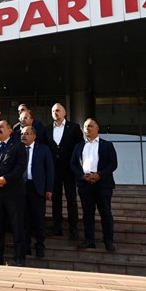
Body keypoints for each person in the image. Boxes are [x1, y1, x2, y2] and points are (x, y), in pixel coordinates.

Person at [0, 120, 28, 266]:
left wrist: (5, 179)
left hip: (13, 193)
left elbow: (20, 167)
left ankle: (19, 257)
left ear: (10, 131)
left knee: (17, 225)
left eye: (2, 127)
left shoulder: (18, 147)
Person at [70, 118, 118, 251]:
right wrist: (82, 176)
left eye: (90, 126)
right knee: (87, 214)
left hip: (103, 185)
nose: (87, 129)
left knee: (105, 213)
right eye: (85, 126)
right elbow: (73, 164)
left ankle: (108, 241)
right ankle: (89, 240)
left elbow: (113, 164)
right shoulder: (78, 146)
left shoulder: (107, 145)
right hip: (85, 185)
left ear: (97, 128)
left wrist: (99, 175)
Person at [45, 102, 83, 239]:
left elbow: (80, 147)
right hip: (54, 170)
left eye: (58, 110)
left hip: (69, 169)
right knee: (56, 199)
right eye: (53, 111)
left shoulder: (74, 128)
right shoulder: (47, 129)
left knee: (71, 198)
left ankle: (73, 228)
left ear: (64, 112)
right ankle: (57, 227)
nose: (55, 113)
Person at [21, 126, 53, 258]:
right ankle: (26, 246)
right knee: (24, 219)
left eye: (27, 134)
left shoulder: (43, 149)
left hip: (37, 188)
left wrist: (49, 189)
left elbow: (50, 169)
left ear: (34, 136)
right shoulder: (18, 149)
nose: (24, 136)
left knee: (39, 219)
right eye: (22, 133)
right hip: (21, 188)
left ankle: (40, 246)